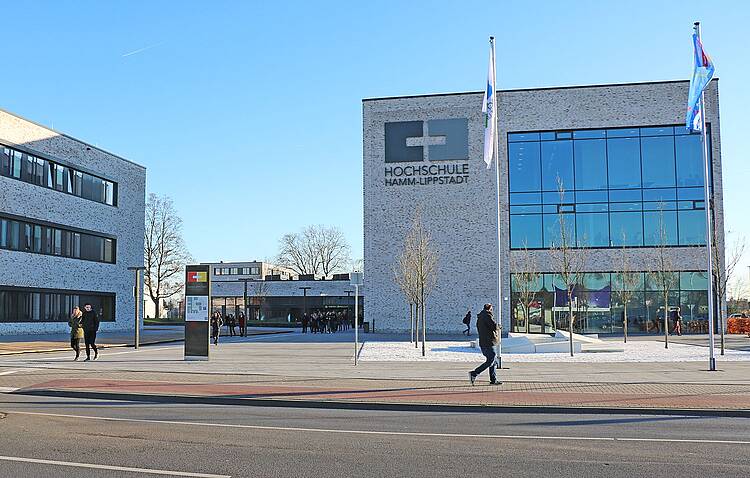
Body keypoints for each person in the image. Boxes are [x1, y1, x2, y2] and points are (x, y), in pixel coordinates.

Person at [469, 304, 500, 385]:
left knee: (493, 361)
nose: (492, 310)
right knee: (491, 360)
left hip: (484, 342)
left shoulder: (480, 317)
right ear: (489, 309)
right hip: (489, 342)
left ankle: (493, 380)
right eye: (492, 309)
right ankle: (474, 373)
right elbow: (493, 326)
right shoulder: (487, 316)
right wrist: (498, 326)